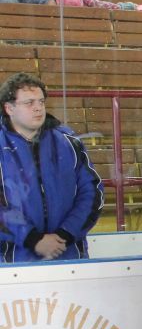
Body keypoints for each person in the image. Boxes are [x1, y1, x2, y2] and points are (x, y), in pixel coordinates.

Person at [0, 73, 103, 263]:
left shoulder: (69, 142)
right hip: (13, 262)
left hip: (70, 256)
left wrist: (65, 234)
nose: (38, 107)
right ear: (9, 108)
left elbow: (92, 191)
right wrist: (32, 239)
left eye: (41, 101)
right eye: (29, 103)